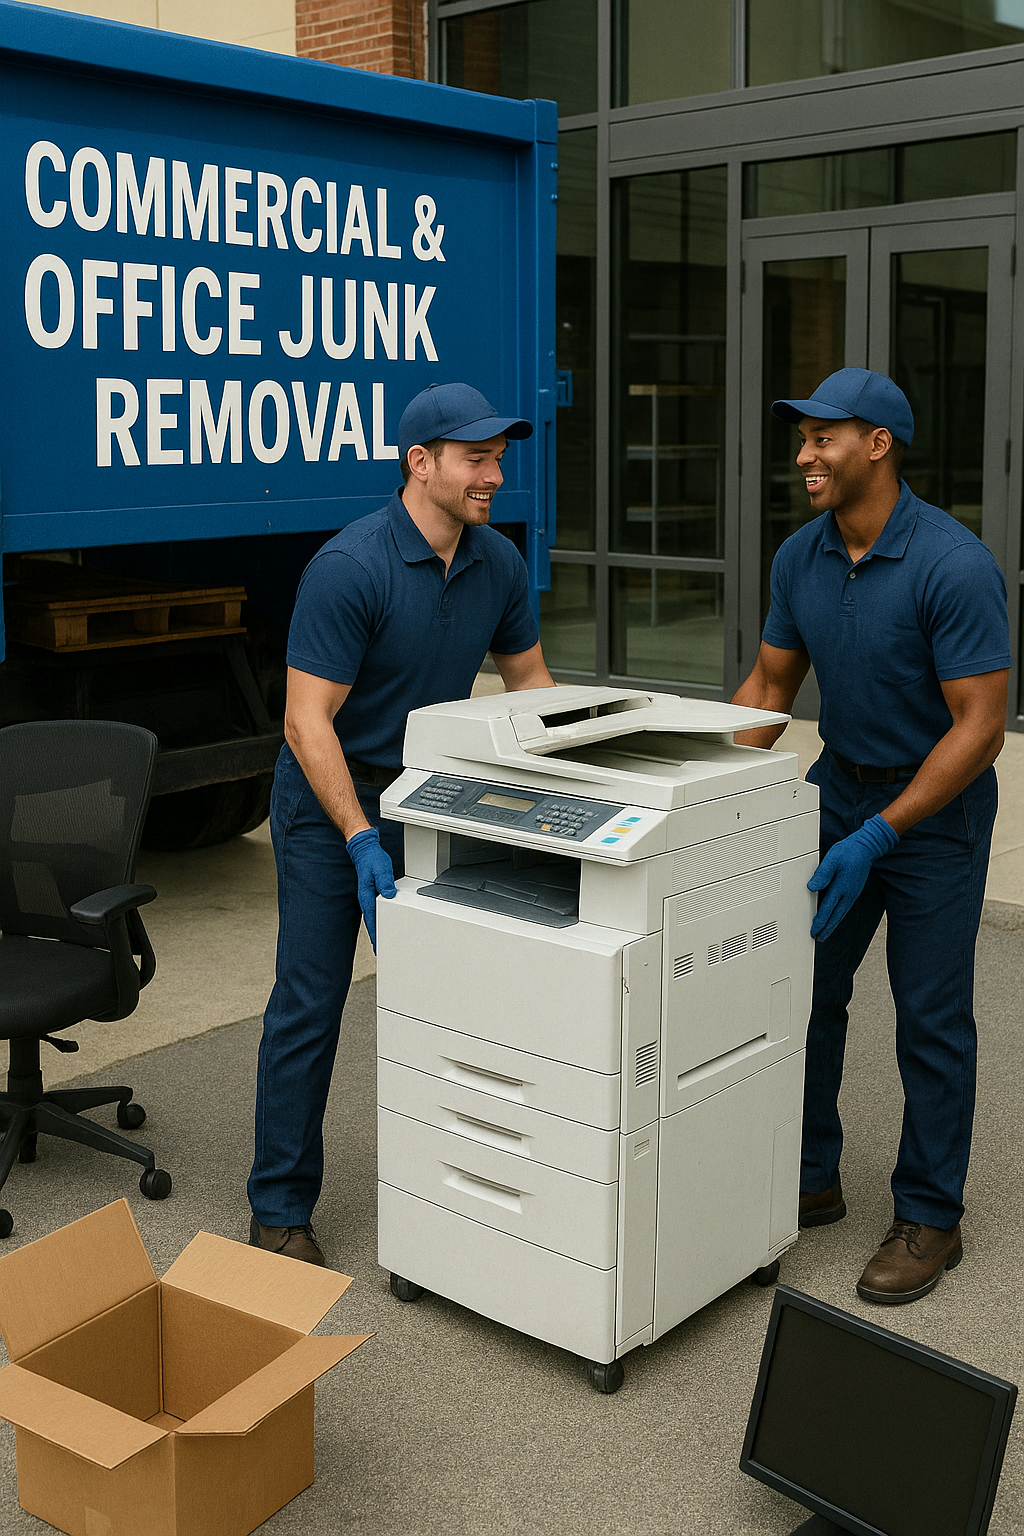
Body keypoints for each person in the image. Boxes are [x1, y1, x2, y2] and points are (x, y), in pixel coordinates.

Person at [248, 382, 556, 1264]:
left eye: (499, 458)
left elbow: (531, 685)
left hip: (428, 797)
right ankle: (278, 1207)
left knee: (453, 1001)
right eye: (476, 458)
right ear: (420, 464)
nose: (495, 474)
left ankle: (459, 1189)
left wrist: (587, 765)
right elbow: (307, 724)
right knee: (311, 1000)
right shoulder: (353, 568)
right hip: (327, 800)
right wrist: (356, 840)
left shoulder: (494, 562)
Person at [732, 367, 1010, 1305]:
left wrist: (885, 833)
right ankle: (810, 1175)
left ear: (877, 445)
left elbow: (979, 725)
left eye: (823, 438)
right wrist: (682, 773)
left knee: (931, 1019)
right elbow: (769, 690)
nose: (804, 455)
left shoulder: (952, 564)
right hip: (838, 791)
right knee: (803, 990)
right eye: (802, 438)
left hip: (936, 811)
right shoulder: (801, 558)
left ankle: (931, 1214)